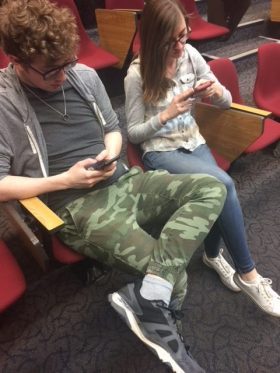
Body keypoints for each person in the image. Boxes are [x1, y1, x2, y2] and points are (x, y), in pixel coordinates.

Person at [0, 0, 228, 372]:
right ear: (16, 60)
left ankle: (146, 300)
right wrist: (64, 180)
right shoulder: (4, 101)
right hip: (76, 205)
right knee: (176, 277)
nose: (62, 76)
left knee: (211, 188)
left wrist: (110, 152)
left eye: (67, 63)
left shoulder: (84, 76)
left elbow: (113, 130)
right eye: (50, 70)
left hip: (124, 179)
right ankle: (169, 336)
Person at [125, 0, 280, 319]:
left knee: (218, 192)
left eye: (185, 35)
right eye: (174, 40)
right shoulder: (136, 74)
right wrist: (166, 114)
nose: (182, 46)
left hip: (192, 140)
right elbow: (135, 133)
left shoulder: (191, 55)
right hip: (161, 150)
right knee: (222, 183)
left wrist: (214, 93)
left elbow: (224, 101)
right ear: (156, 39)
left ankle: (211, 255)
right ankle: (249, 274)